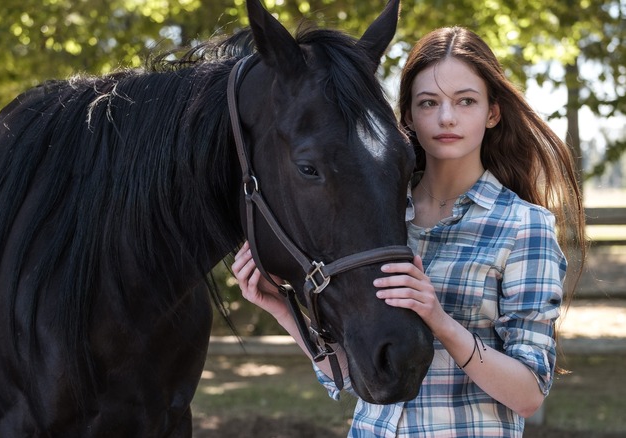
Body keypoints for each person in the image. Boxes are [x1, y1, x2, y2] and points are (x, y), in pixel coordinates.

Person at [231, 26, 587, 437]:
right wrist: (278, 306)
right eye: (428, 102)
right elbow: (357, 377)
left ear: (493, 112)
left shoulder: (524, 227)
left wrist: (440, 321)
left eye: (465, 101)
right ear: (407, 117)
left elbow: (529, 394)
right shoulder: (381, 217)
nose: (446, 117)